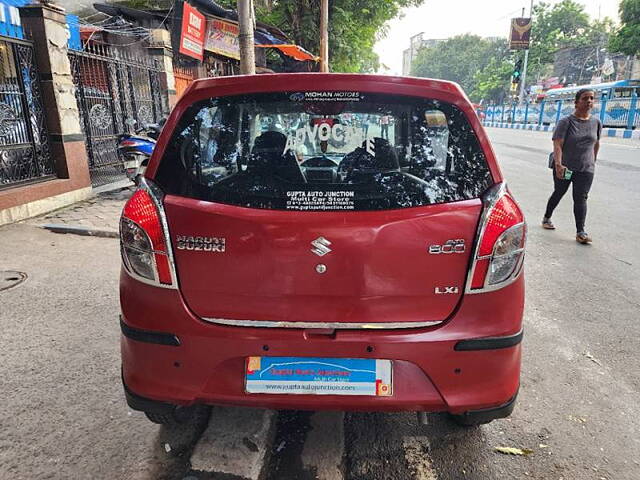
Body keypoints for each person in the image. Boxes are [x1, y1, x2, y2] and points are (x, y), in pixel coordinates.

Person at [542, 88, 601, 244]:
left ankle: (580, 231)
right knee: (560, 191)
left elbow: (596, 144)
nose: (589, 101)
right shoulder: (566, 122)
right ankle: (547, 217)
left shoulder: (596, 122)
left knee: (581, 197)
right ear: (576, 102)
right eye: (585, 98)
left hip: (585, 169)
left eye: (591, 98)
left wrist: (592, 162)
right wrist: (559, 165)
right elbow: (558, 145)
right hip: (565, 168)